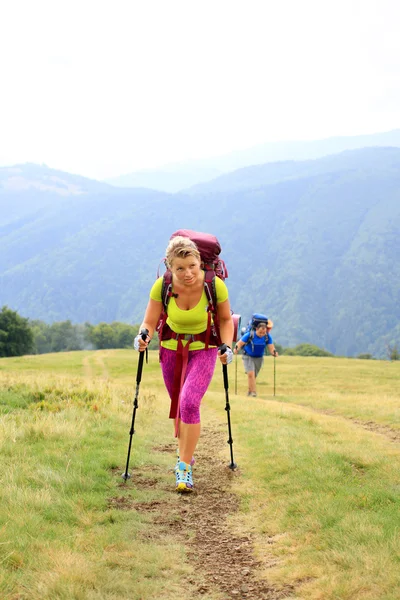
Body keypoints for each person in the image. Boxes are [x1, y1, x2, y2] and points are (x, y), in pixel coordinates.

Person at [134, 236, 234, 493]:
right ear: (170, 268)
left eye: (192, 265)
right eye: (180, 268)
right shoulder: (162, 286)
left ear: (200, 261)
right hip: (170, 349)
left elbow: (224, 320)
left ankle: (184, 467)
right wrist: (142, 336)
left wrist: (227, 346)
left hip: (204, 349)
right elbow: (149, 321)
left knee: (189, 402)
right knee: (179, 406)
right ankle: (186, 453)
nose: (188, 273)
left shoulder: (215, 285)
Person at [234, 321, 278, 397]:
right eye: (260, 332)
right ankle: (253, 393)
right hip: (247, 356)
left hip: (259, 358)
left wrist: (274, 353)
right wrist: (236, 349)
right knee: (251, 374)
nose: (261, 334)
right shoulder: (250, 335)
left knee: (253, 376)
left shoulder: (267, 336)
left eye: (263, 333)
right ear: (256, 329)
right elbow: (239, 343)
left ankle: (250, 391)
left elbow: (271, 348)